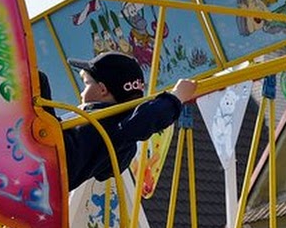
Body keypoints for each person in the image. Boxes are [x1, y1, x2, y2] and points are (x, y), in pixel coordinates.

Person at [40, 51, 197, 190]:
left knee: (38, 81)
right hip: (48, 166)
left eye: (87, 84)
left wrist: (177, 97)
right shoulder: (112, 131)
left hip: (49, 160)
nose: (82, 92)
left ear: (102, 89)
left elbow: (148, 117)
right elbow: (105, 172)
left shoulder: (115, 124)